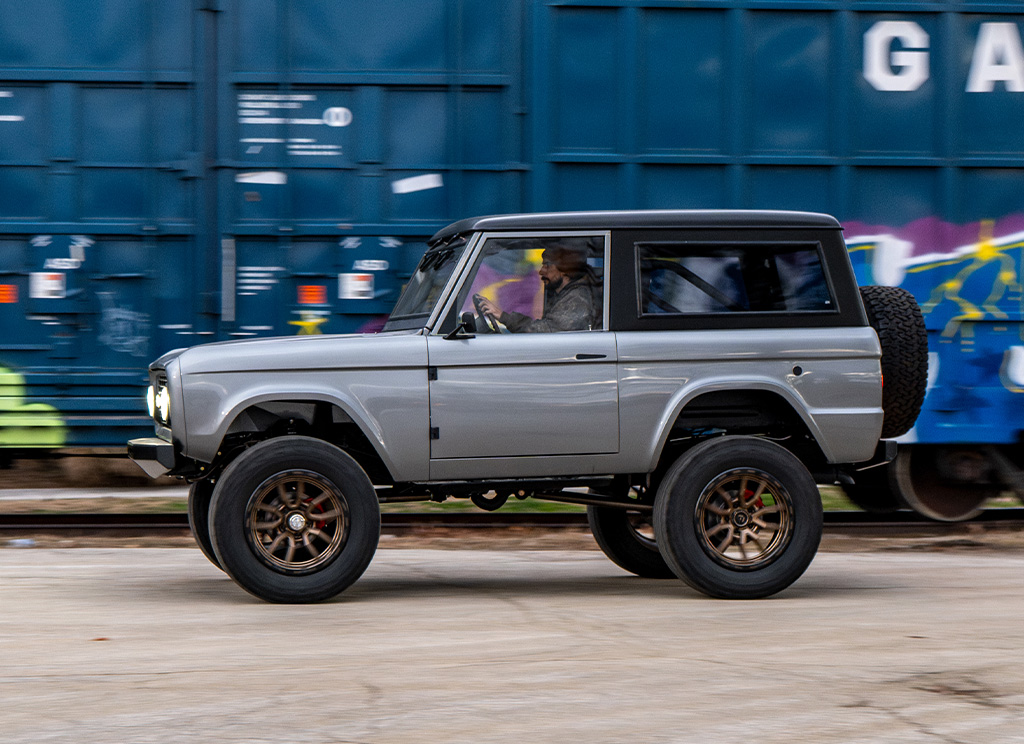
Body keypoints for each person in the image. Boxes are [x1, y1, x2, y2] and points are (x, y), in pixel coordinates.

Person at [476, 245, 597, 332]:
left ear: (565, 270)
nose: (541, 271)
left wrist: (502, 316)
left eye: (547, 265)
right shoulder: (566, 295)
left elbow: (545, 331)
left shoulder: (578, 298)